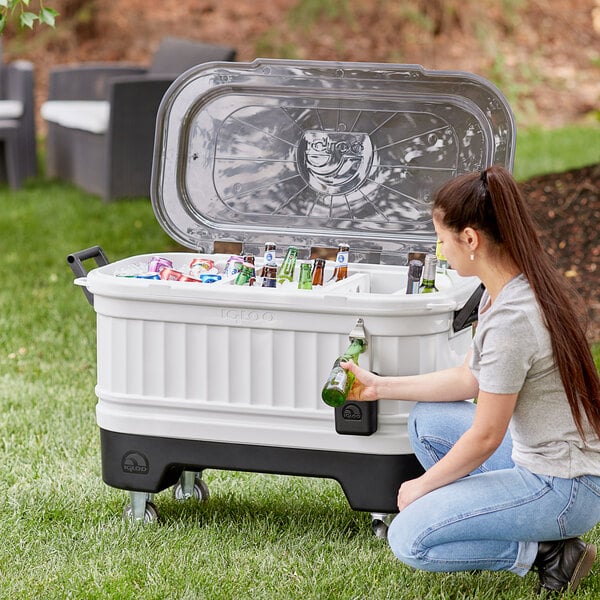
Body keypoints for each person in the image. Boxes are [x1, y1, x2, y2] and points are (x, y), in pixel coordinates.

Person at [342, 165, 600, 595]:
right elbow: (469, 379)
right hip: (538, 456)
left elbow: (484, 436)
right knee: (429, 420)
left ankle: (548, 553)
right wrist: (379, 386)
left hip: (564, 486)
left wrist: (423, 486)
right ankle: (483, 512)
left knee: (409, 538)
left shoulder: (513, 319)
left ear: (470, 239)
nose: (440, 251)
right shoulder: (506, 287)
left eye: (441, 239)